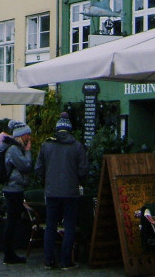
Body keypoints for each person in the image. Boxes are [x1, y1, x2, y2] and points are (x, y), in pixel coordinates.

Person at [34, 112, 89, 270]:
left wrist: (48, 179)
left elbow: (38, 169)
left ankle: (49, 260)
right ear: (69, 130)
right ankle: (66, 261)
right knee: (69, 225)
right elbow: (83, 171)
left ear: (57, 129)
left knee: (50, 225)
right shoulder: (77, 146)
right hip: (70, 192)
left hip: (51, 191)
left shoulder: (46, 145)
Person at [0, 120, 33, 265]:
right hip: (13, 189)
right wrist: (28, 151)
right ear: (21, 135)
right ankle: (9, 254)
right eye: (27, 135)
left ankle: (9, 253)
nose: (29, 138)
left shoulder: (14, 148)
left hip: (13, 188)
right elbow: (26, 166)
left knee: (12, 221)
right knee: (11, 222)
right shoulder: (14, 150)